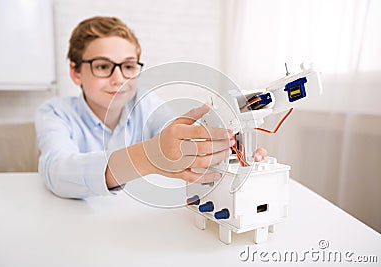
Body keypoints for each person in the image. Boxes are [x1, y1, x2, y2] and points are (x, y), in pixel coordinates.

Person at [35, 16, 267, 199]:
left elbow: (177, 138)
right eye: (103, 66)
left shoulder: (143, 102)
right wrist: (148, 157)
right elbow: (57, 171)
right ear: (76, 73)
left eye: (128, 66)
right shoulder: (55, 113)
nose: (119, 79)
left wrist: (228, 147)